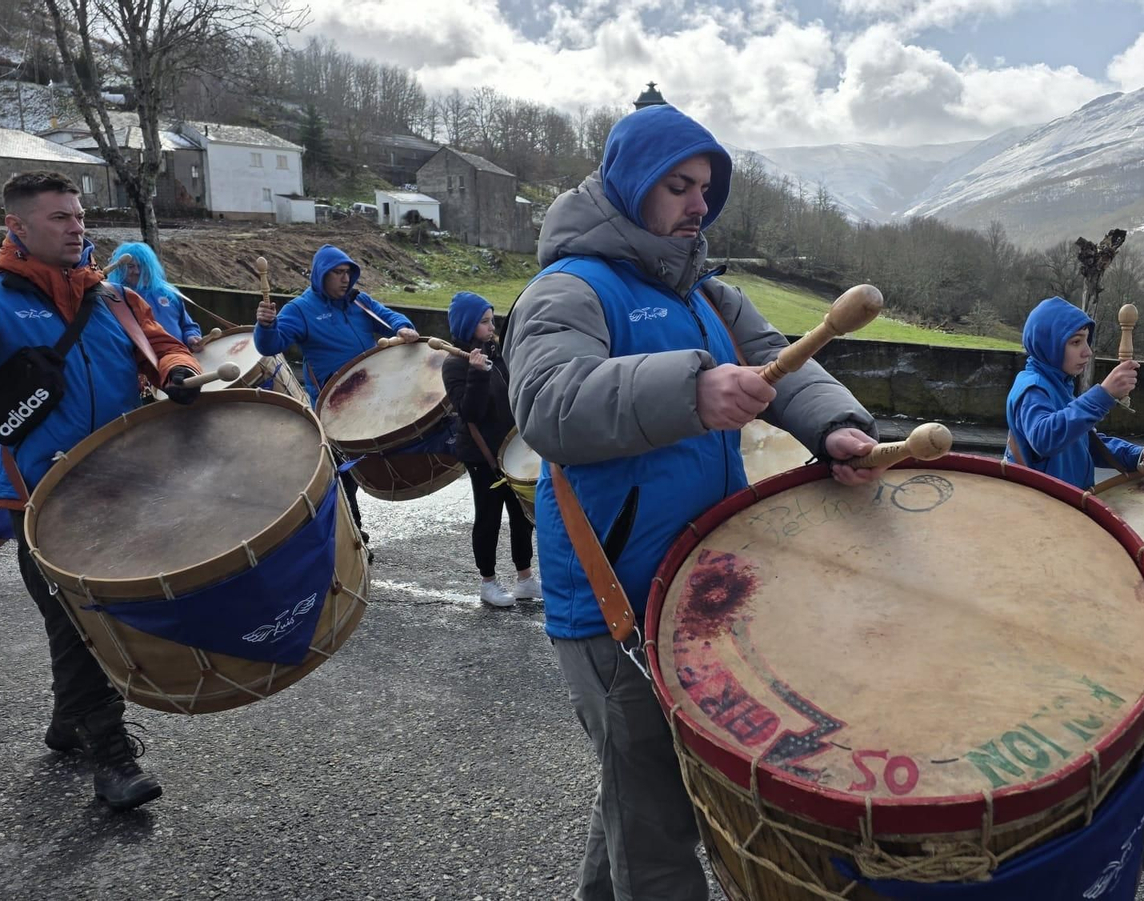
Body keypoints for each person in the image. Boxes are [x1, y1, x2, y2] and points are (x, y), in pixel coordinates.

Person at [505, 104, 888, 901]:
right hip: (615, 600)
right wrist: (691, 387)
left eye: (706, 190)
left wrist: (839, 427)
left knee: (642, 792)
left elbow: (781, 362)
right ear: (631, 185)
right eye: (678, 186)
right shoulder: (570, 288)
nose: (696, 205)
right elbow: (547, 401)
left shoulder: (707, 293)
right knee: (657, 817)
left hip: (701, 593)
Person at [0, 171, 205, 811]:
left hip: (123, 486)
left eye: (78, 215)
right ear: (16, 227)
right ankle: (114, 762)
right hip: (42, 496)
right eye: (59, 218)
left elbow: (161, 345)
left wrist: (179, 372)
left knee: (88, 617)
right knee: (80, 621)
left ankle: (68, 720)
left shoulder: (112, 297)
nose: (76, 226)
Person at [254, 245, 418, 541]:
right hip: (335, 407)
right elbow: (270, 346)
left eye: (348, 273)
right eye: (337, 273)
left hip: (372, 396)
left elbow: (389, 316)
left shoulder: (358, 301)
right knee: (343, 475)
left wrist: (403, 327)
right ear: (320, 276)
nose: (345, 280)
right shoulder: (300, 310)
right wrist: (265, 325)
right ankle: (351, 533)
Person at [1004, 296, 1144, 489]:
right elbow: (1045, 439)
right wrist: (1103, 394)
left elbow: (1083, 442)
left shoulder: (1059, 383)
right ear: (1049, 345)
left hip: (1067, 503)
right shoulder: (1032, 388)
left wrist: (1137, 455)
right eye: (1076, 342)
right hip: (1044, 510)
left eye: (1086, 341)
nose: (1087, 352)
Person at [439, 291, 537, 609]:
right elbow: (470, 413)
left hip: (509, 448)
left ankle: (525, 579)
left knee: (521, 518)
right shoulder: (455, 365)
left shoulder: (495, 351)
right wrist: (477, 374)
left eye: (491, 319)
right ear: (468, 326)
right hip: (481, 454)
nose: (491, 326)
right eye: (484, 322)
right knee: (489, 518)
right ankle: (488, 583)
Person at [107, 242, 204, 352]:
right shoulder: (113, 297)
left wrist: (191, 337)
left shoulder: (168, 292)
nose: (137, 271)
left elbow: (188, 326)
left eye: (142, 266)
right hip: (140, 363)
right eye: (130, 266)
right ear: (120, 268)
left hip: (179, 358)